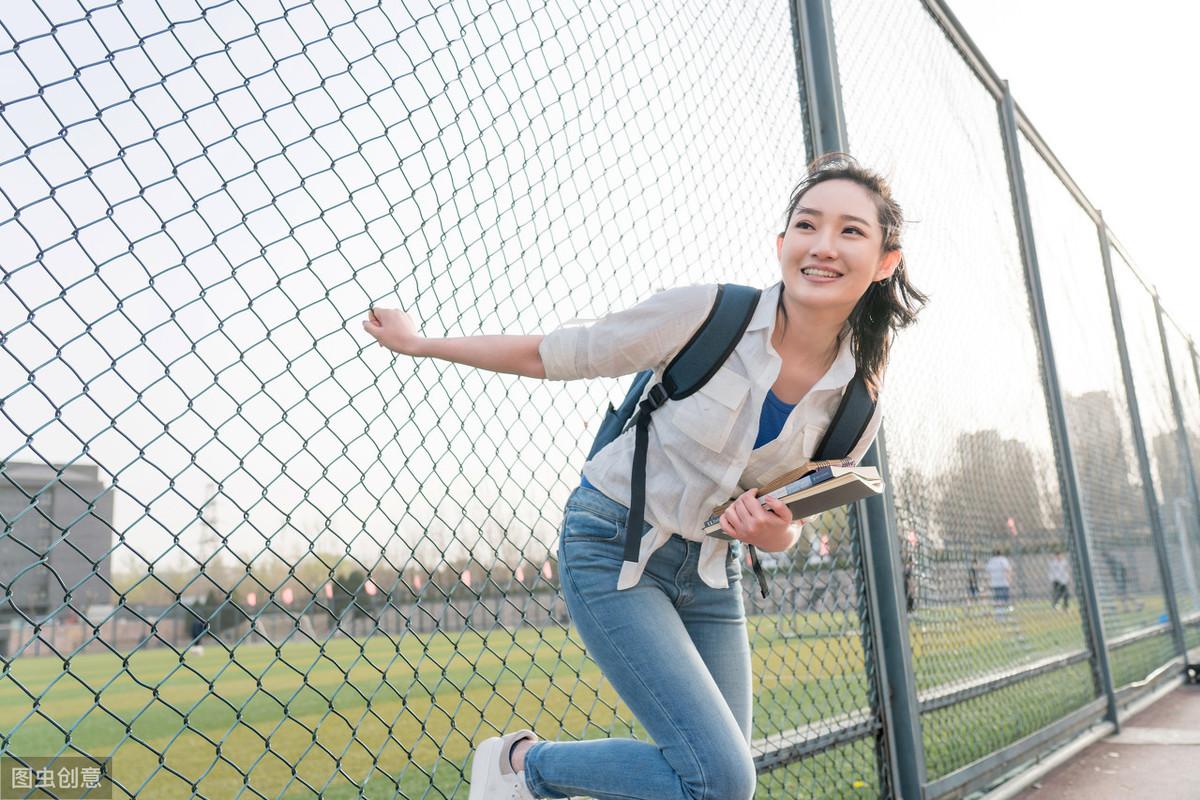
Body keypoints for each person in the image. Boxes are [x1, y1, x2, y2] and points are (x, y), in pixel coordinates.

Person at [361, 154, 927, 800]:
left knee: (713, 791)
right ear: (782, 245)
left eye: (851, 231)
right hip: (612, 547)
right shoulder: (711, 315)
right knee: (719, 778)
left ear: (886, 261)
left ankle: (528, 772)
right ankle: (524, 768)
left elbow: (787, 522)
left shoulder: (858, 403)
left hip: (713, 573)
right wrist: (423, 343)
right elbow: (557, 353)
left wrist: (770, 534)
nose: (823, 246)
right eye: (807, 225)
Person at [986, 547, 1014, 614]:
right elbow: (1007, 570)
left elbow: (988, 573)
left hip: (995, 583)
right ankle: (1002, 612)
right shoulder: (1003, 560)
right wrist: (1009, 579)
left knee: (998, 599)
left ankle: (999, 612)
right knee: (1004, 599)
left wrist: (988, 582)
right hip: (1003, 583)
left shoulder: (991, 561)